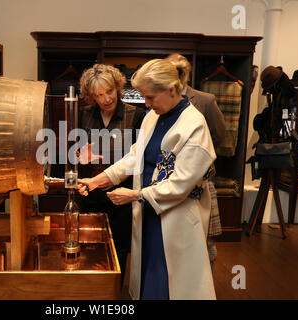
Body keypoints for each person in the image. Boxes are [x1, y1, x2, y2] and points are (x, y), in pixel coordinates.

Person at [78, 59, 216, 300]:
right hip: (150, 213)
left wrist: (135, 195)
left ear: (172, 89)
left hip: (177, 218)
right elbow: (134, 156)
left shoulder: (194, 126)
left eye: (150, 97)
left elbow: (180, 184)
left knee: (172, 283)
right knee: (148, 279)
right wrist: (98, 180)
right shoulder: (154, 116)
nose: (146, 103)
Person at [77, 64, 145, 284]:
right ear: (91, 97)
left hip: (120, 195)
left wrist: (117, 177)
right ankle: (92, 288)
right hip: (89, 192)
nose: (106, 99)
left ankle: (114, 291)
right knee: (89, 244)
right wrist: (79, 156)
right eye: (99, 95)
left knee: (119, 247)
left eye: (109, 91)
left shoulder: (136, 116)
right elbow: (69, 155)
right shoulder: (83, 115)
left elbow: (140, 158)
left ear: (117, 87)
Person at [165, 53, 226, 273]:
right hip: (170, 181)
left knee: (201, 241)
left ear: (187, 72)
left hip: (199, 182)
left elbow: (219, 134)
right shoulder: (158, 99)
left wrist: (198, 158)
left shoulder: (205, 99)